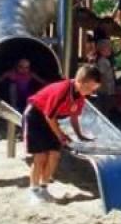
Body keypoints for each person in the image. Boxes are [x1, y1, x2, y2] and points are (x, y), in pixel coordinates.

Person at [24, 65, 102, 205]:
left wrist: (80, 135)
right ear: (80, 82)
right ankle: (34, 190)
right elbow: (49, 116)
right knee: (40, 156)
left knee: (54, 155)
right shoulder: (63, 90)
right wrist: (60, 135)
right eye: (90, 88)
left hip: (52, 119)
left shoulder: (81, 96)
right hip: (36, 116)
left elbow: (73, 116)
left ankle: (44, 188)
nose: (91, 92)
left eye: (94, 89)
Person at [94, 41, 117, 115]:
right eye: (108, 48)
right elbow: (101, 74)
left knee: (105, 108)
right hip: (104, 90)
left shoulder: (105, 61)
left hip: (106, 89)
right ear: (102, 51)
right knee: (103, 109)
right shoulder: (102, 61)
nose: (110, 50)